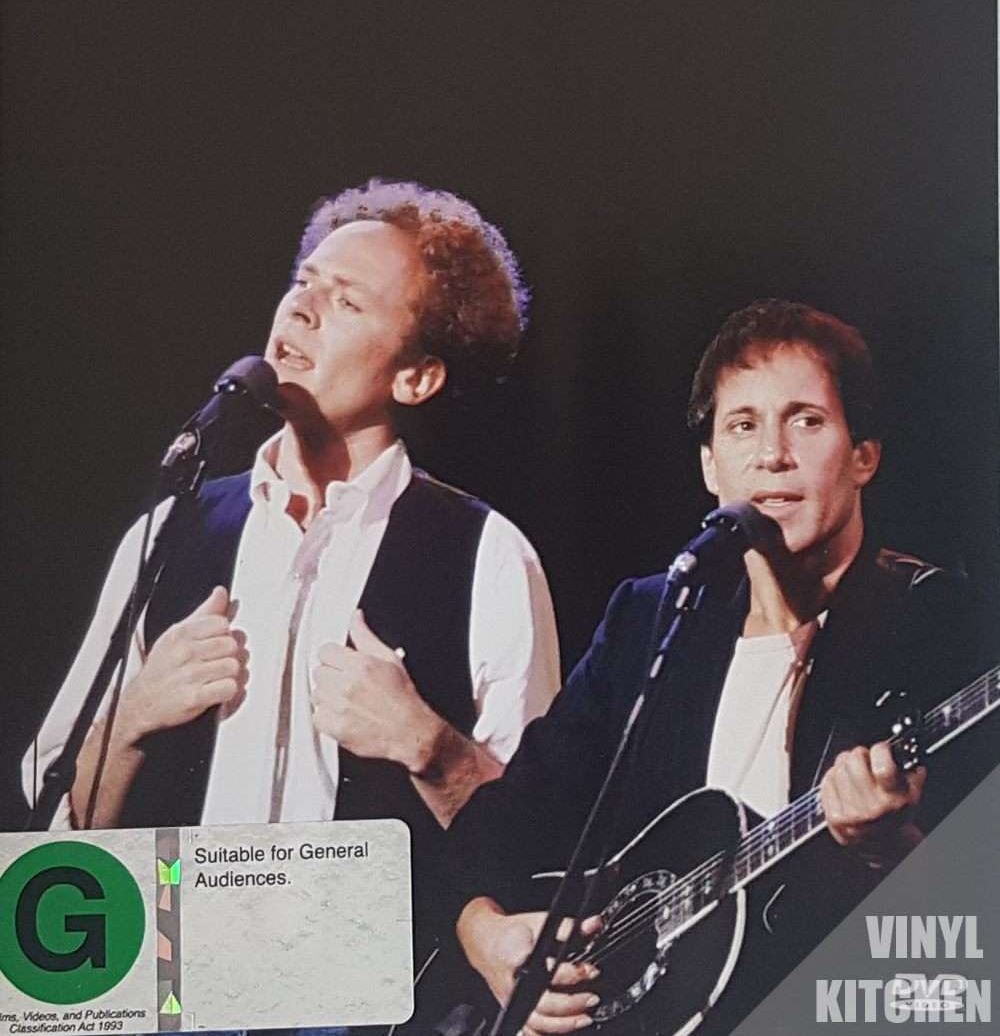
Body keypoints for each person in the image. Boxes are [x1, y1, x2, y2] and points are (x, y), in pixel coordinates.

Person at [25, 178, 559, 969]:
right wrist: (133, 717)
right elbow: (51, 840)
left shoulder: (488, 555)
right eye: (303, 282)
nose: (300, 310)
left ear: (415, 376)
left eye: (346, 302)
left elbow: (541, 845)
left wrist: (430, 744)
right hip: (173, 984)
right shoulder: (171, 530)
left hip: (384, 1003)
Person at [449, 300, 992, 1036]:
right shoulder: (654, 617)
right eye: (742, 426)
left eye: (806, 420)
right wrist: (483, 931)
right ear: (710, 465)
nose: (772, 454)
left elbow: (970, 940)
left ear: (864, 454)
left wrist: (890, 852)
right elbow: (512, 815)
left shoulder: (940, 622)